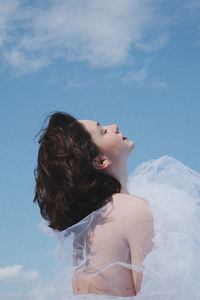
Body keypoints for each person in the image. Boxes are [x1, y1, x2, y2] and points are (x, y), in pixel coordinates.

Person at [34, 112, 200, 300]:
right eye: (103, 131)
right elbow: (157, 294)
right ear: (101, 161)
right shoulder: (132, 210)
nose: (114, 126)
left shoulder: (90, 226)